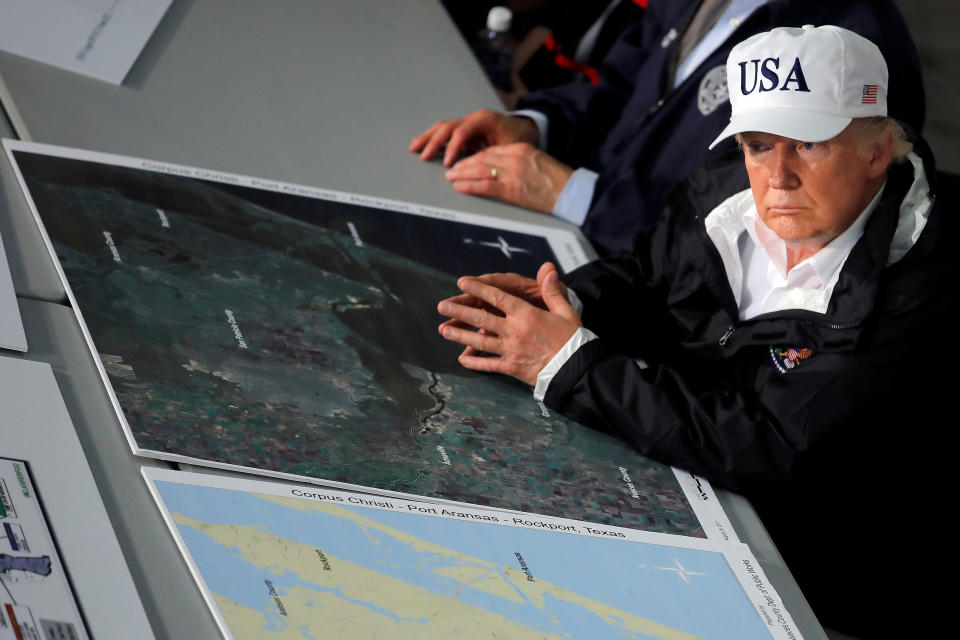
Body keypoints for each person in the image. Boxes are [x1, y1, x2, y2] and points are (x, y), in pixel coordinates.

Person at [436, 25, 959, 637]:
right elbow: (648, 271)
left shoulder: (925, 286)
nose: (778, 177)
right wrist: (569, 300)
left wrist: (572, 364)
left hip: (822, 576)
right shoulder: (727, 187)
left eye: (809, 145)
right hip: (690, 482)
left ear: (878, 149)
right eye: (758, 144)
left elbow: (771, 445)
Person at [411, 0, 925, 254]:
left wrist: (577, 196)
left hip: (665, 309)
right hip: (574, 237)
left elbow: (774, 233)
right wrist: (535, 124)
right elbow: (620, 85)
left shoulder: (855, 52)